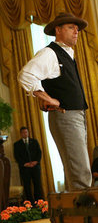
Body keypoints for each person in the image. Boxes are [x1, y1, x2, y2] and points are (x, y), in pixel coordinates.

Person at [18, 12, 91, 191]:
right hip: (66, 117)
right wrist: (47, 98)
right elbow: (26, 75)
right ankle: (87, 215)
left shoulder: (67, 54)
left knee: (77, 169)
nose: (76, 31)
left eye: (77, 28)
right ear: (58, 30)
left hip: (76, 115)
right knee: (80, 171)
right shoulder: (50, 53)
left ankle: (78, 214)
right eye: (71, 27)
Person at [13, 127, 43, 202]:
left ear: (28, 133)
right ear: (20, 134)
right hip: (25, 168)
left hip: (35, 167)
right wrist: (24, 164)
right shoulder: (17, 144)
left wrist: (36, 161)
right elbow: (17, 156)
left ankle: (39, 202)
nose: (25, 134)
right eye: (23, 133)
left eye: (26, 132)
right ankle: (30, 203)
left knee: (37, 185)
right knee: (27, 186)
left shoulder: (34, 141)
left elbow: (39, 153)